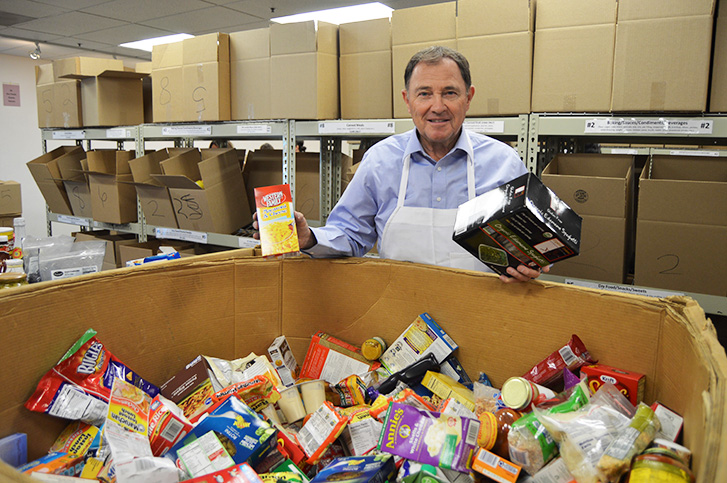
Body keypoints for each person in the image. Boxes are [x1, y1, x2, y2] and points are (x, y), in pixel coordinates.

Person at [254, 46, 545, 283]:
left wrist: (530, 265)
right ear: (407, 100)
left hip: (481, 314)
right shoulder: (381, 160)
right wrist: (309, 237)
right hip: (400, 318)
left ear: (468, 98)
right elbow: (351, 232)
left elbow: (530, 245)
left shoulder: (503, 162)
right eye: (424, 93)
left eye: (450, 93)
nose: (438, 106)